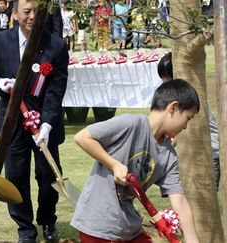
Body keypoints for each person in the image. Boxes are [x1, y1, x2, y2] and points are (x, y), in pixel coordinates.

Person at [71, 79, 200, 243]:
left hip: (130, 228)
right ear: (173, 107)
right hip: (98, 226)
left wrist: (192, 239)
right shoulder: (131, 124)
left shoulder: (169, 155)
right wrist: (114, 164)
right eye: (188, 118)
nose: (186, 126)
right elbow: (82, 137)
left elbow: (179, 201)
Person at [0, 0, 68, 241]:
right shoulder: (1, 41)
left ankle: (48, 221)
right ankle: (25, 228)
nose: (32, 17)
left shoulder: (56, 45)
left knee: (48, 175)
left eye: (36, 12)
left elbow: (56, 89)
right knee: (16, 176)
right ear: (15, 14)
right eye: (26, 12)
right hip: (13, 123)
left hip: (44, 123)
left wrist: (48, 124)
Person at [158, 52, 220, 191]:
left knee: (203, 197)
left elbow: (185, 130)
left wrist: (165, 148)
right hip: (197, 152)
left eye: (168, 81)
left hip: (209, 152)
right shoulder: (185, 97)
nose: (165, 86)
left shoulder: (190, 101)